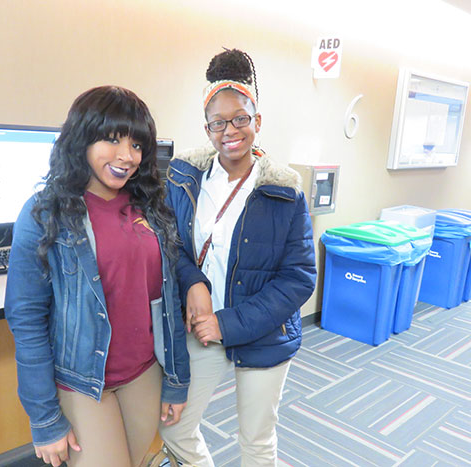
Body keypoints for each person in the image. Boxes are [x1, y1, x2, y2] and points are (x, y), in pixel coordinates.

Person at [4, 85, 189, 467]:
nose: (127, 156)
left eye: (137, 145)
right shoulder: (46, 213)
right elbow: (26, 317)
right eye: (111, 139)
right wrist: (44, 417)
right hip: (83, 379)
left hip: (143, 371)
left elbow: (166, 300)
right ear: (82, 140)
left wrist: (177, 379)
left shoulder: (151, 207)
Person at [160, 49, 317, 466]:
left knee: (256, 441)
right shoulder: (184, 180)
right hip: (202, 330)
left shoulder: (284, 192)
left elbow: (299, 278)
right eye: (218, 122)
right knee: (173, 426)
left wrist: (227, 323)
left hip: (261, 332)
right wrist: (192, 281)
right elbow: (171, 243)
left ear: (257, 121)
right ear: (207, 128)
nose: (230, 130)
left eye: (240, 119)